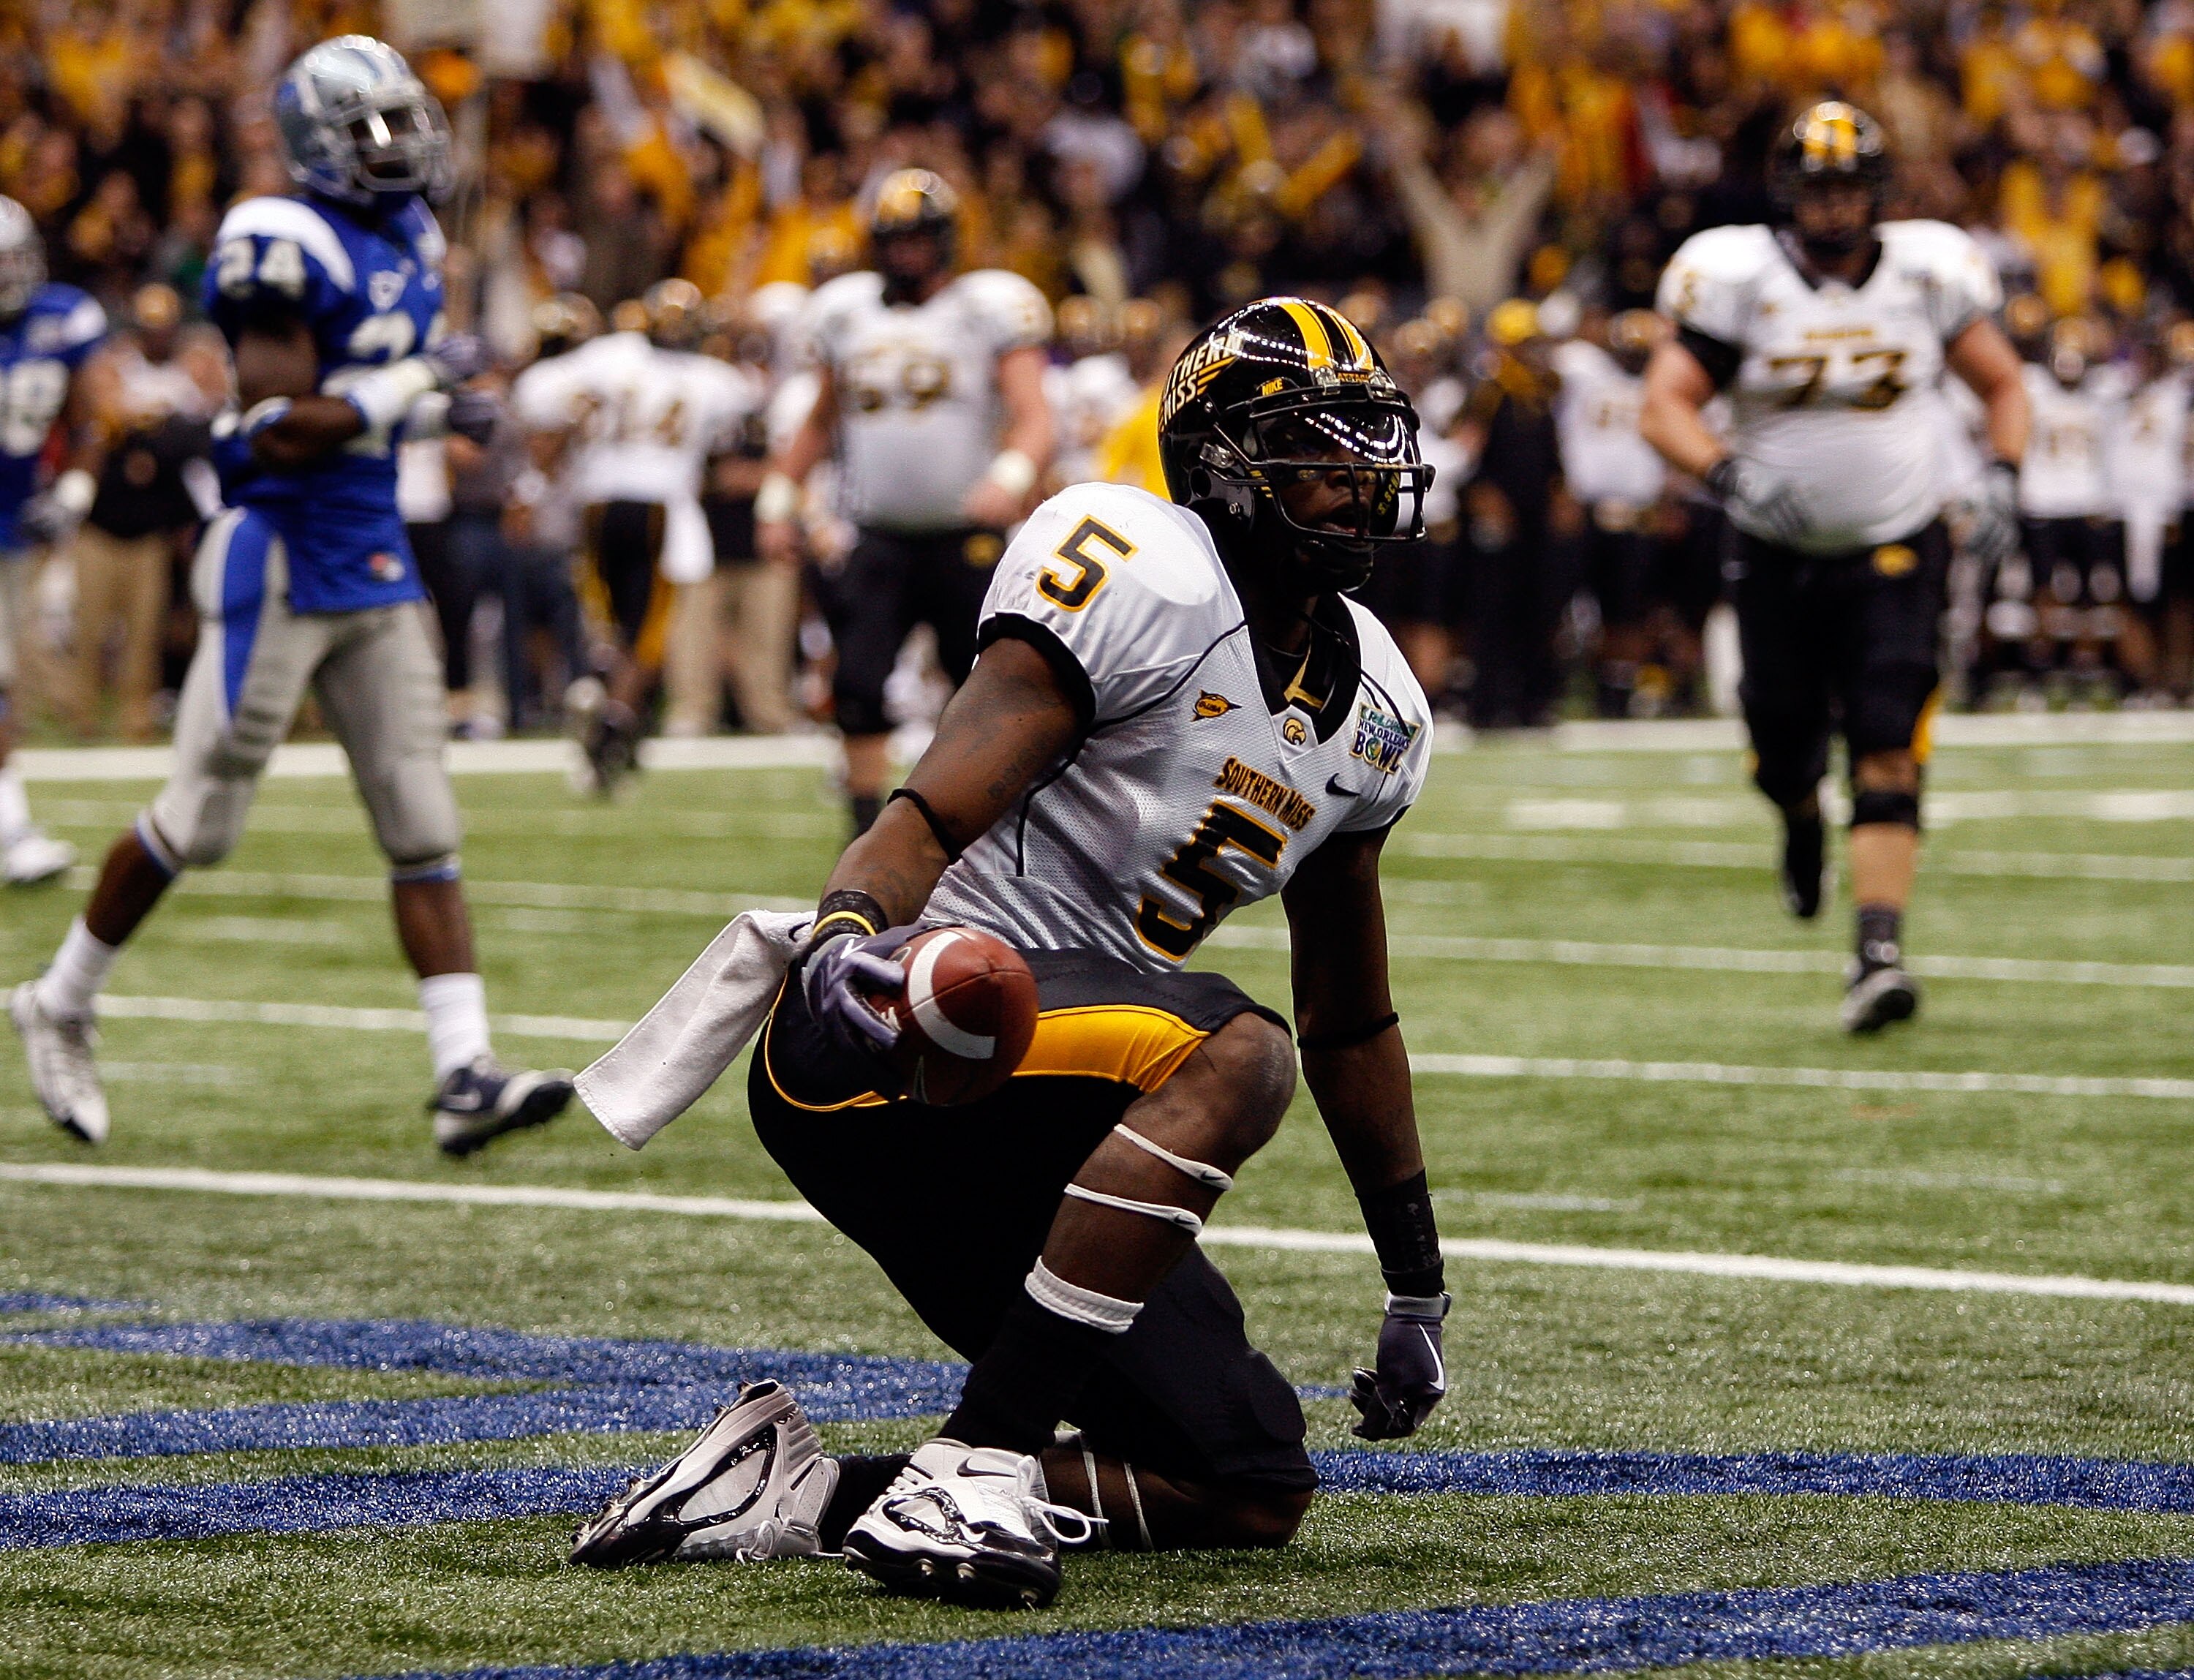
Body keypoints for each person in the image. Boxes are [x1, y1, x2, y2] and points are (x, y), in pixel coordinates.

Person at [570, 298, 1449, 1609]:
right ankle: (976, 1462)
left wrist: (1415, 1279)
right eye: (1314, 447)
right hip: (917, 1024)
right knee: (1235, 1050)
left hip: (1058, 1127)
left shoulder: (1378, 706)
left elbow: (1355, 1018)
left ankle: (793, 1491)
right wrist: (847, 940)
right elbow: (929, 807)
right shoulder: (1139, 565)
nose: (1358, 477)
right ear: (1217, 459)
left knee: (1247, 1479)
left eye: (1369, 445)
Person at [10, 37, 574, 1153]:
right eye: (370, 126)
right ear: (315, 141)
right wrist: (422, 387)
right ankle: (61, 998)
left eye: (405, 119)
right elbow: (277, 418)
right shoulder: (275, 236)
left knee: (422, 818)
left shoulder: (412, 232)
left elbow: (371, 406)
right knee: (201, 822)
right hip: (276, 553)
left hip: (371, 552)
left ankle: (464, 1069)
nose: (400, 144)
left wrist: (430, 414)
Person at [1641, 101, 2030, 1035]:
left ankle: (1878, 950)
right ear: (1788, 193)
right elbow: (1665, 404)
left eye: (1849, 185)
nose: (1833, 205)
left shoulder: (1927, 274)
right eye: (1818, 187)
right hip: (1775, 556)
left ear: (1879, 191)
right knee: (1782, 747)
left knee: (1890, 735)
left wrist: (2005, 476)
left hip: (1899, 545)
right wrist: (1725, 471)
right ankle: (1800, 817)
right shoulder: (1738, 277)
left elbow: (2005, 381)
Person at [757, 169, 1055, 837]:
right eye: (896, 239)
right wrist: (777, 502)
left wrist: (1006, 478)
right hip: (879, 534)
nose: (908, 252)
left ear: (947, 240)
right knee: (859, 687)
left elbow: (1035, 416)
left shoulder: (988, 307)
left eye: (921, 238)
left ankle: (986, 829)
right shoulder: (846, 312)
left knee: (982, 690)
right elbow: (818, 420)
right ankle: (865, 833)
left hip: (965, 534)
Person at [511, 279, 761, 792]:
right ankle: (617, 717)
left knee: (609, 618)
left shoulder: (610, 356)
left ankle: (603, 686)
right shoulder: (714, 379)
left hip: (600, 499)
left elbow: (538, 393)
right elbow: (746, 419)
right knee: (650, 625)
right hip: (660, 504)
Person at [0, 195, 105, 885]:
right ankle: (10, 830)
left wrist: (73, 491)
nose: (10, 273)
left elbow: (93, 417)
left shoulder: (63, 316)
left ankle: (9, 828)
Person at [67, 282, 222, 742]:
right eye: (148, 329)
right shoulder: (113, 365)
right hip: (100, 525)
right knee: (90, 630)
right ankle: (82, 718)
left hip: (154, 527)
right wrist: (155, 419)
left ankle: (136, 720)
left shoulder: (192, 369)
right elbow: (104, 413)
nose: (156, 337)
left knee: (144, 636)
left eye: (164, 329)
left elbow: (214, 407)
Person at [1553, 309, 1674, 717]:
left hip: (1639, 514)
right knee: (1564, 602)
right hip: (1587, 511)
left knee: (1629, 611)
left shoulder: (1663, 385)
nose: (1635, 356)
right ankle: (1558, 683)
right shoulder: (1584, 369)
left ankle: (1617, 689)